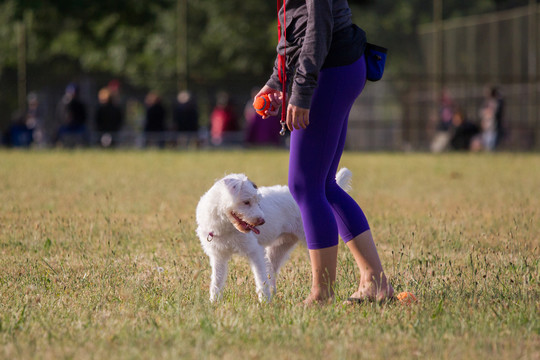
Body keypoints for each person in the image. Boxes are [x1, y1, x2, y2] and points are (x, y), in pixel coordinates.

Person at [256, 0, 393, 305]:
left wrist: (301, 90)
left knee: (305, 186)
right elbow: (297, 28)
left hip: (330, 71)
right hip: (336, 69)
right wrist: (278, 81)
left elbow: (319, 28)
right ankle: (375, 282)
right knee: (324, 185)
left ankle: (322, 294)